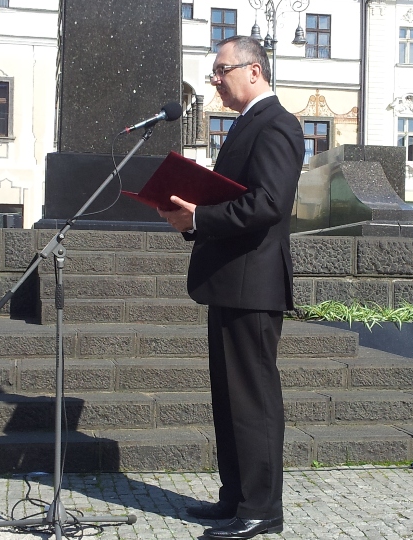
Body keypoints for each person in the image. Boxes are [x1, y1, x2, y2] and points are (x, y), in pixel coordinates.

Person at [158, 35, 304, 540]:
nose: (215, 80)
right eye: (214, 73)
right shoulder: (246, 123)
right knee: (229, 399)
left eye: (222, 70)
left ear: (254, 70)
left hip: (253, 283)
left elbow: (269, 204)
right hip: (230, 281)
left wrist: (200, 217)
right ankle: (237, 498)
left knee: (252, 400)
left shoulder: (278, 124)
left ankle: (262, 509)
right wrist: (192, 216)